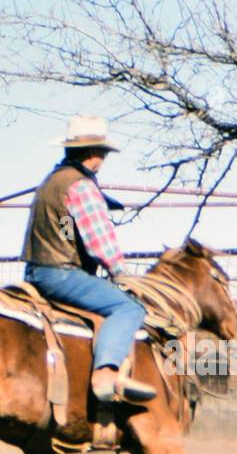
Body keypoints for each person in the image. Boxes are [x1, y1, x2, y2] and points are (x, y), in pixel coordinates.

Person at [21, 115, 156, 403]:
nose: (103, 159)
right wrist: (120, 271)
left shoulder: (51, 182)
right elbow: (99, 241)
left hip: (36, 271)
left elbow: (67, 231)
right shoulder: (81, 186)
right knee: (129, 308)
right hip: (63, 274)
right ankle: (105, 373)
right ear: (94, 153)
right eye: (103, 153)